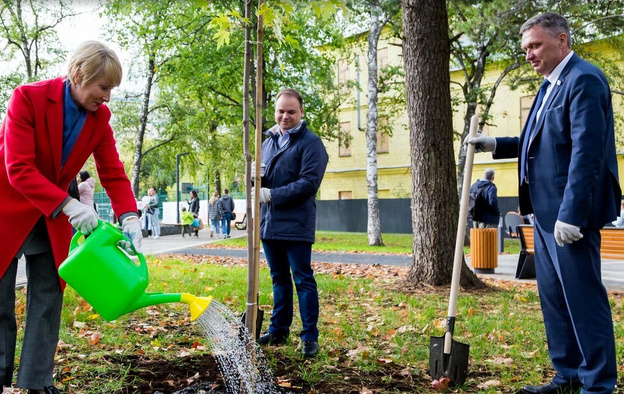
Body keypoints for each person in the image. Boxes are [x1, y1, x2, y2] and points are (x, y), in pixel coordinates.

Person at [467, 13, 620, 394]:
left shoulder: (584, 79)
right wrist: (495, 145)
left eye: (535, 46)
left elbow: (588, 153)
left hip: (570, 218)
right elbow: (538, 141)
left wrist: (572, 215)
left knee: (584, 300)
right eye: (525, 49)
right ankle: (567, 376)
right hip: (543, 214)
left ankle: (597, 385)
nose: (529, 55)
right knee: (554, 300)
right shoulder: (549, 85)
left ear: (562, 40)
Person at [0, 41, 142, 394]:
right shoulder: (27, 98)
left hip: (50, 217)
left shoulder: (100, 118)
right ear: (79, 75)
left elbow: (112, 172)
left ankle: (36, 382)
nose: (107, 97)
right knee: (0, 298)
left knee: (48, 294)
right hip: (6, 207)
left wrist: (129, 215)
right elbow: (18, 168)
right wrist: (70, 205)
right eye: (103, 87)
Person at [255, 88, 328, 358]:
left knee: (302, 279)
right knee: (278, 279)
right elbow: (262, 178)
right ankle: (278, 330)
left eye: (291, 112)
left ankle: (310, 336)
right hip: (270, 223)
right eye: (280, 111)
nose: (285, 116)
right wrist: (254, 182)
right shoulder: (267, 141)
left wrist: (272, 195)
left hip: (296, 223)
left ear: (301, 112)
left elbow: (309, 183)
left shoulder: (311, 143)